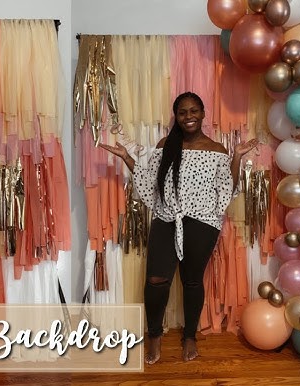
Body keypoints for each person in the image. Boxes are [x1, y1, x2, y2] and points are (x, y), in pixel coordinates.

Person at [99, 91, 257, 364]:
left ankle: (190, 337)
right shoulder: (166, 145)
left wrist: (237, 158)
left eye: (194, 111)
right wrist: (126, 157)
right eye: (183, 112)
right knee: (156, 280)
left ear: (203, 114)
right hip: (167, 218)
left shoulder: (216, 149)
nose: (188, 116)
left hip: (203, 222)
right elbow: (149, 183)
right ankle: (155, 335)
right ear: (177, 116)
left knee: (192, 280)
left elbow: (225, 190)